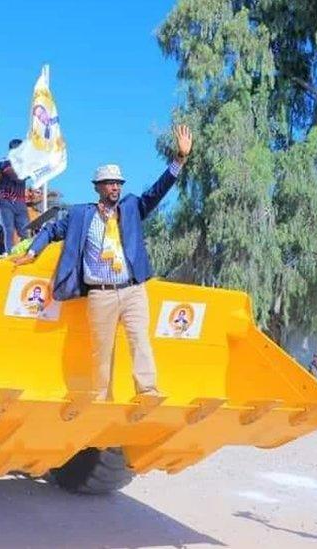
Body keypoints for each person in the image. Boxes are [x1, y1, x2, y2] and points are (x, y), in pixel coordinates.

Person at [12, 124, 193, 400]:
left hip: (132, 289)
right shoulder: (79, 215)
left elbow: (156, 192)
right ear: (98, 187)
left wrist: (179, 160)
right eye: (110, 183)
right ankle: (100, 398)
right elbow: (50, 230)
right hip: (101, 294)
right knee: (102, 349)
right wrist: (33, 252)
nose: (115, 187)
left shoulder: (131, 207)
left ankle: (147, 390)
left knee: (139, 339)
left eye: (119, 183)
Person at [0, 139, 32, 253]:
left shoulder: (25, 164)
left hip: (20, 202)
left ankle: (26, 252)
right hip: (6, 200)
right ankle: (9, 253)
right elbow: (15, 175)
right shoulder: (5, 161)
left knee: (25, 230)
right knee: (9, 229)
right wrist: (29, 172)